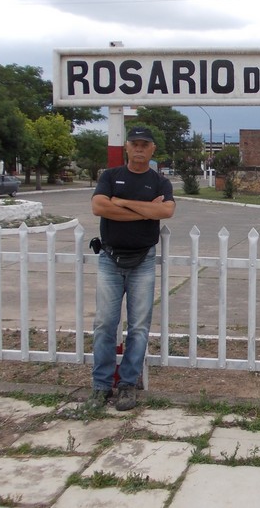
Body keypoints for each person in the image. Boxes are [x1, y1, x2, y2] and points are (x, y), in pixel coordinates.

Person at [87, 127, 176, 411]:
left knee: (138, 328)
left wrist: (122, 202)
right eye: (134, 144)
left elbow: (165, 212)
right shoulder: (110, 176)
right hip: (110, 260)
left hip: (143, 261)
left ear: (153, 149)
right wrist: (143, 210)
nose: (139, 149)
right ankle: (101, 386)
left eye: (144, 145)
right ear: (127, 147)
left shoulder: (159, 182)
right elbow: (99, 206)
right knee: (104, 325)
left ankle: (127, 385)